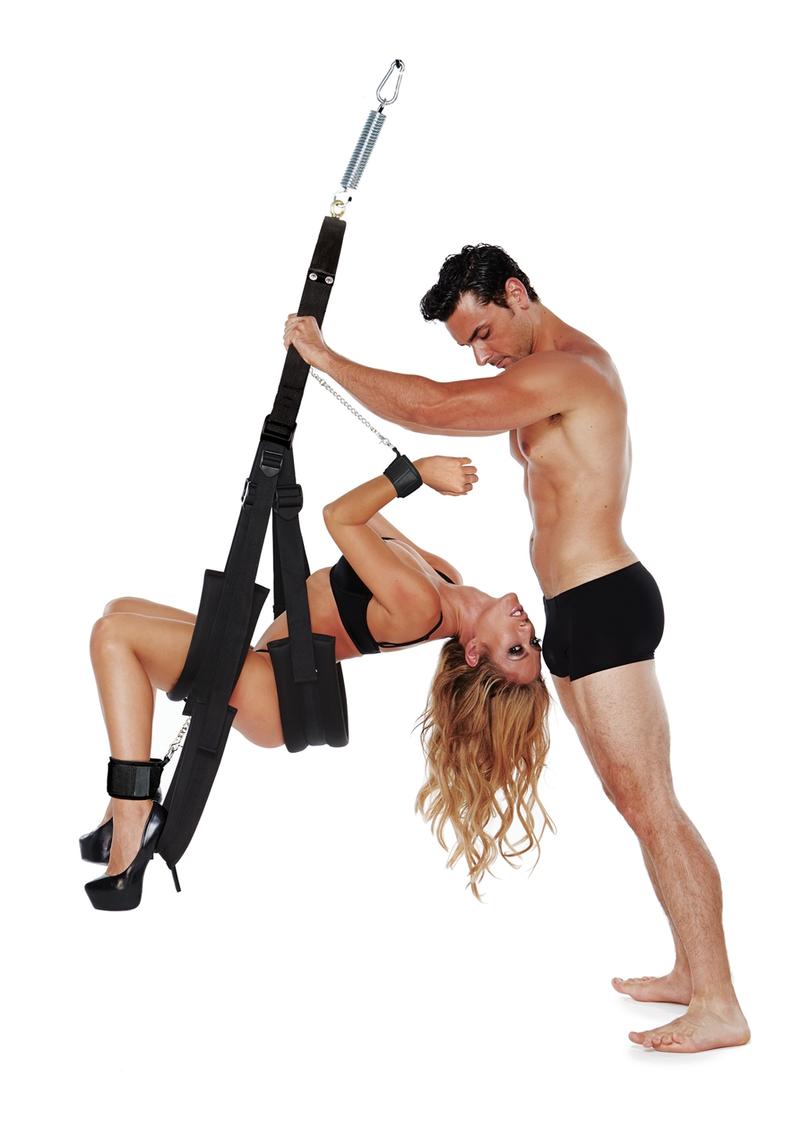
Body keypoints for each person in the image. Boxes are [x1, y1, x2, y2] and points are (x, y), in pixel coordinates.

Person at [282, 243, 750, 1054]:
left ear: (517, 292)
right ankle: (690, 970)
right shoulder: (540, 375)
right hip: (569, 609)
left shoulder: (571, 371)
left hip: (605, 601)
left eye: (484, 332)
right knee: (632, 801)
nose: (482, 354)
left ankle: (719, 1002)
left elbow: (433, 406)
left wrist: (324, 357)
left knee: (653, 803)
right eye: (469, 344)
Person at [82, 453, 551, 910]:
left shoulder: (422, 607)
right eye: (532, 644)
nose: (526, 631)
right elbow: (363, 518)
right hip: (265, 668)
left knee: (114, 638)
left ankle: (132, 812)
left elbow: (339, 517)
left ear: (474, 653)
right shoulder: (445, 578)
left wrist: (419, 474)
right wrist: (399, 470)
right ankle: (115, 823)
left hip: (274, 689)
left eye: (515, 649)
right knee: (119, 611)